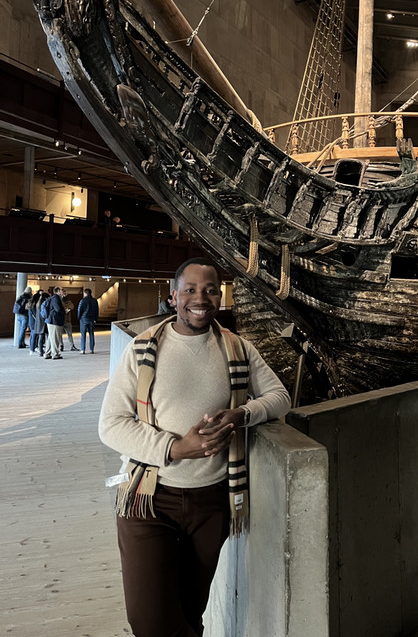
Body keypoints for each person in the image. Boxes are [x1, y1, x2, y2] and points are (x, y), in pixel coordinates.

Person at [98, 257, 291, 637]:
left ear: (219, 297)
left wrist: (242, 414)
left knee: (190, 612)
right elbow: (111, 424)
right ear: (173, 297)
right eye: (189, 290)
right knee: (149, 621)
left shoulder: (237, 349)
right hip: (149, 499)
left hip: (212, 502)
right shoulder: (141, 350)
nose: (199, 298)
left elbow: (279, 396)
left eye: (209, 290)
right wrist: (174, 448)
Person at [43, 285, 65, 360]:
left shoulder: (53, 298)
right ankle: (55, 354)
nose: (63, 291)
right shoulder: (56, 298)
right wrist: (64, 311)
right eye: (62, 290)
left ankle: (47, 353)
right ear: (58, 291)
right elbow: (58, 309)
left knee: (50, 338)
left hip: (51, 320)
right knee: (55, 338)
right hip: (55, 321)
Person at [78, 288, 99, 354]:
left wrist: (79, 318)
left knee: (83, 334)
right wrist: (96, 318)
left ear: (85, 293)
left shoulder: (82, 301)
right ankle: (91, 349)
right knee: (91, 334)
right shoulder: (95, 301)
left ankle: (83, 349)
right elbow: (97, 310)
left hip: (84, 319)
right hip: (92, 319)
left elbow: (79, 310)